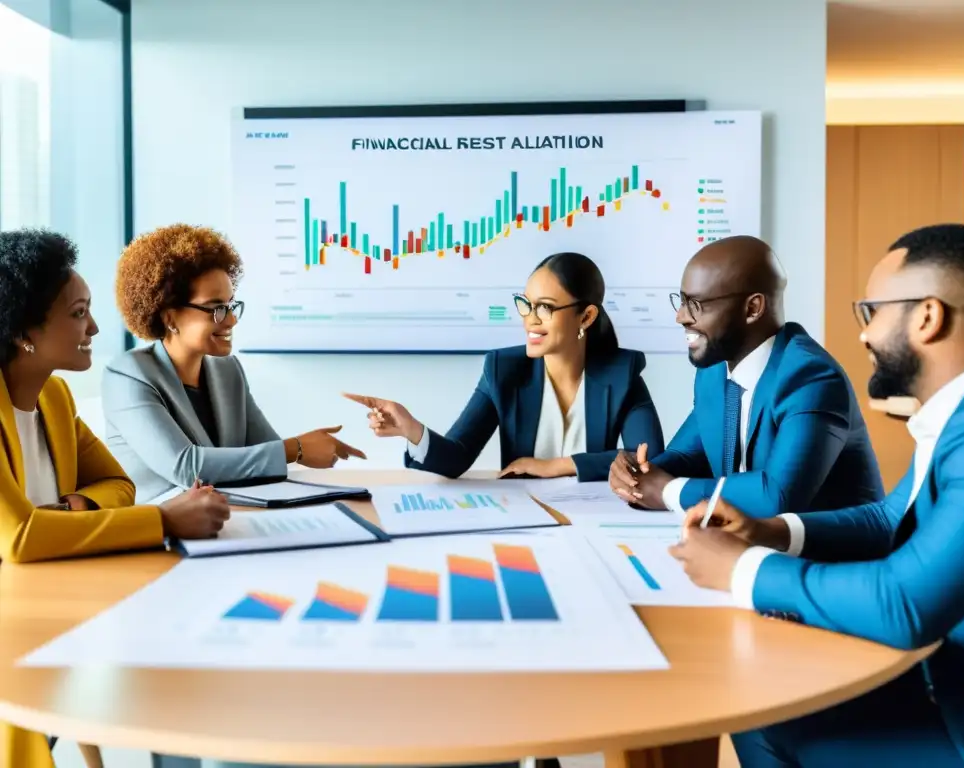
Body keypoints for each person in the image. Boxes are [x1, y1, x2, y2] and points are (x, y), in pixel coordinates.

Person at [673, 223, 964, 767]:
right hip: (951, 682)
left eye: (872, 312)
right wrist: (770, 531)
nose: (862, 335)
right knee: (757, 704)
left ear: (927, 316)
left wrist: (743, 570)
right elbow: (890, 517)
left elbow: (905, 605)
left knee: (762, 704)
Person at [0, 229, 231, 768]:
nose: (96, 328)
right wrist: (162, 520)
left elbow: (118, 484)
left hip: (42, 600)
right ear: (24, 332)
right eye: (79, 313)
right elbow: (20, 536)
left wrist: (71, 510)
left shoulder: (54, 397)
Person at [608, 235, 883, 517]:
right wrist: (639, 473)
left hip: (834, 555)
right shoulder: (713, 371)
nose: (680, 317)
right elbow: (688, 455)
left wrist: (667, 491)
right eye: (681, 301)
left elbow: (776, 497)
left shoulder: (811, 377)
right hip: (754, 543)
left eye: (695, 304)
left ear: (752, 308)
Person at [344, 251, 664, 482]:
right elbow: (457, 456)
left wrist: (556, 465)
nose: (530, 319)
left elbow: (648, 457)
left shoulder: (622, 372)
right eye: (526, 304)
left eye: (545, 308)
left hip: (596, 519)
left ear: (586, 317)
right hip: (524, 516)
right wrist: (410, 428)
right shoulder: (503, 370)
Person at [102, 224, 365, 503]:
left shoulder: (227, 371)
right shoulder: (127, 376)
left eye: (230, 305)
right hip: (160, 530)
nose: (231, 320)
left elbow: (266, 458)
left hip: (228, 519)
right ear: (169, 318)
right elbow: (186, 467)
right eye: (216, 309)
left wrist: (297, 450)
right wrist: (295, 449)